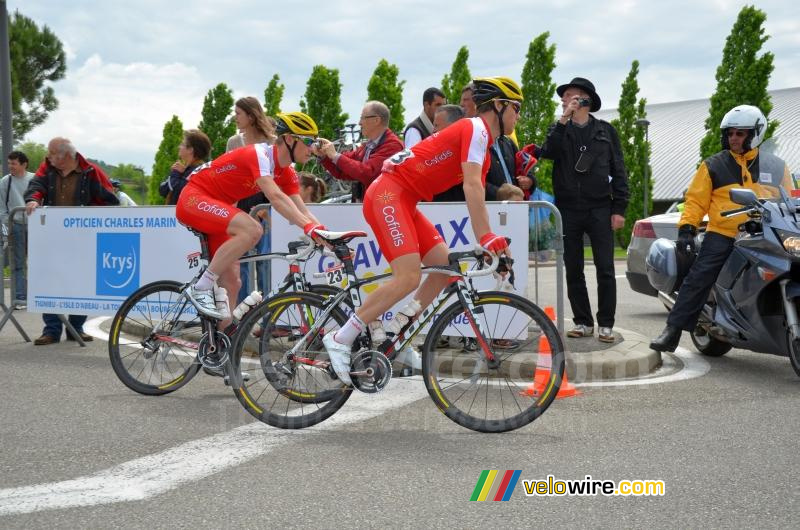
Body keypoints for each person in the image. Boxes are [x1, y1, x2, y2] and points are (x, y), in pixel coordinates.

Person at [322, 76, 521, 386]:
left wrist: (487, 242)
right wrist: (486, 237)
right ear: (498, 105)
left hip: (404, 198)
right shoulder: (476, 129)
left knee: (445, 268)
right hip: (388, 195)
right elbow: (471, 186)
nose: (518, 116)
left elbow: (477, 193)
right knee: (409, 276)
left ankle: (398, 329)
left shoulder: (483, 142)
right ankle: (340, 337)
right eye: (516, 108)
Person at [650, 105, 794, 352]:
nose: (733, 138)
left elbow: (789, 200)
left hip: (766, 231)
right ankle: (672, 331)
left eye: (740, 133)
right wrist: (687, 230)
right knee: (700, 275)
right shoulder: (713, 165)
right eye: (730, 133)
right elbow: (695, 201)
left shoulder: (777, 166)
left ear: (756, 134)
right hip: (725, 233)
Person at [175, 112, 326, 321]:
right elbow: (275, 197)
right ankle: (200, 288)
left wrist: (328, 237)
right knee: (252, 229)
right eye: (308, 142)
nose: (312, 149)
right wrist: (309, 228)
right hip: (195, 198)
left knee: (232, 283)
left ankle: (222, 340)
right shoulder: (260, 155)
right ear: (290, 139)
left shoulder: (287, 172)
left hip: (218, 208)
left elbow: (303, 211)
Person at [539, 77, 629, 343]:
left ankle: (606, 324)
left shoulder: (605, 131)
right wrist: (563, 120)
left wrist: (619, 208)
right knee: (573, 267)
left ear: (585, 100)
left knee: (605, 268)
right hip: (568, 209)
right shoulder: (559, 128)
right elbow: (548, 152)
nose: (565, 100)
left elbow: (619, 169)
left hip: (600, 207)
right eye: (564, 97)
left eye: (570, 96)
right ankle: (583, 321)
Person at [24, 138, 119, 345]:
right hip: (51, 237)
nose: (48, 156)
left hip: (82, 239)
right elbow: (36, 186)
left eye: (52, 153)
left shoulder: (91, 171)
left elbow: (110, 199)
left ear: (65, 155)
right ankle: (51, 330)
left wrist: (91, 216)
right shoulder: (47, 168)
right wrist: (33, 200)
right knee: (50, 280)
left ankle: (76, 328)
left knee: (80, 281)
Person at [224, 97, 276, 304]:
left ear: (251, 115)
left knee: (265, 262)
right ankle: (242, 313)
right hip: (241, 207)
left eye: (238, 113)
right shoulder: (234, 142)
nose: (234, 117)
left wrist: (268, 206)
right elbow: (228, 175)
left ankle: (268, 312)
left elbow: (276, 177)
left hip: (266, 207)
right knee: (242, 262)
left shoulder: (272, 141)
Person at [314, 101, 403, 202]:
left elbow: (369, 173)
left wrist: (334, 155)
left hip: (382, 207)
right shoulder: (368, 145)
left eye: (363, 118)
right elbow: (342, 170)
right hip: (368, 206)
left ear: (376, 120)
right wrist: (325, 156)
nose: (359, 123)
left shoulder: (393, 146)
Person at [1, 151, 34, 308]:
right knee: (18, 261)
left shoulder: (34, 179)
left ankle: (37, 293)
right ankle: (20, 296)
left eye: (13, 163)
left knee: (38, 260)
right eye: (9, 163)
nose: (10, 166)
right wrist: (7, 225)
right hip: (16, 225)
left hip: (36, 225)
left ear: (24, 164)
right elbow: (2, 207)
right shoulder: (5, 182)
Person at [159, 129, 211, 205]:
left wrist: (176, 173)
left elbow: (178, 191)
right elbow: (163, 190)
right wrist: (179, 174)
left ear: (190, 150)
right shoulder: (185, 169)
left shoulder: (198, 171)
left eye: (182, 144)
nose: (179, 147)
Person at [431, 104, 467, 202]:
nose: (433, 131)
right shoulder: (432, 157)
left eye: (436, 125)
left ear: (453, 127)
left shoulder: (469, 155)